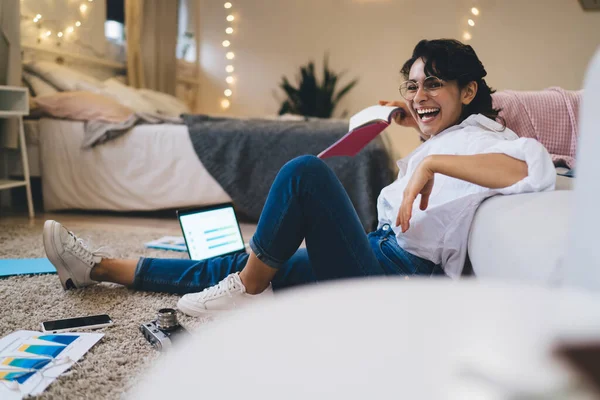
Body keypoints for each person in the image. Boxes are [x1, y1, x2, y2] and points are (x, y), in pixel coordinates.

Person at [43, 39, 555, 317]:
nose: (419, 95)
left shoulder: (495, 139)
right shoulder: (443, 135)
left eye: (434, 85)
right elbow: (438, 142)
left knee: (305, 173)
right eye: (413, 85)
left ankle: (246, 289)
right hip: (375, 249)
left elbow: (527, 169)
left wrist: (433, 162)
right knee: (245, 260)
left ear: (469, 92)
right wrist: (416, 124)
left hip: (395, 278)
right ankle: (99, 268)